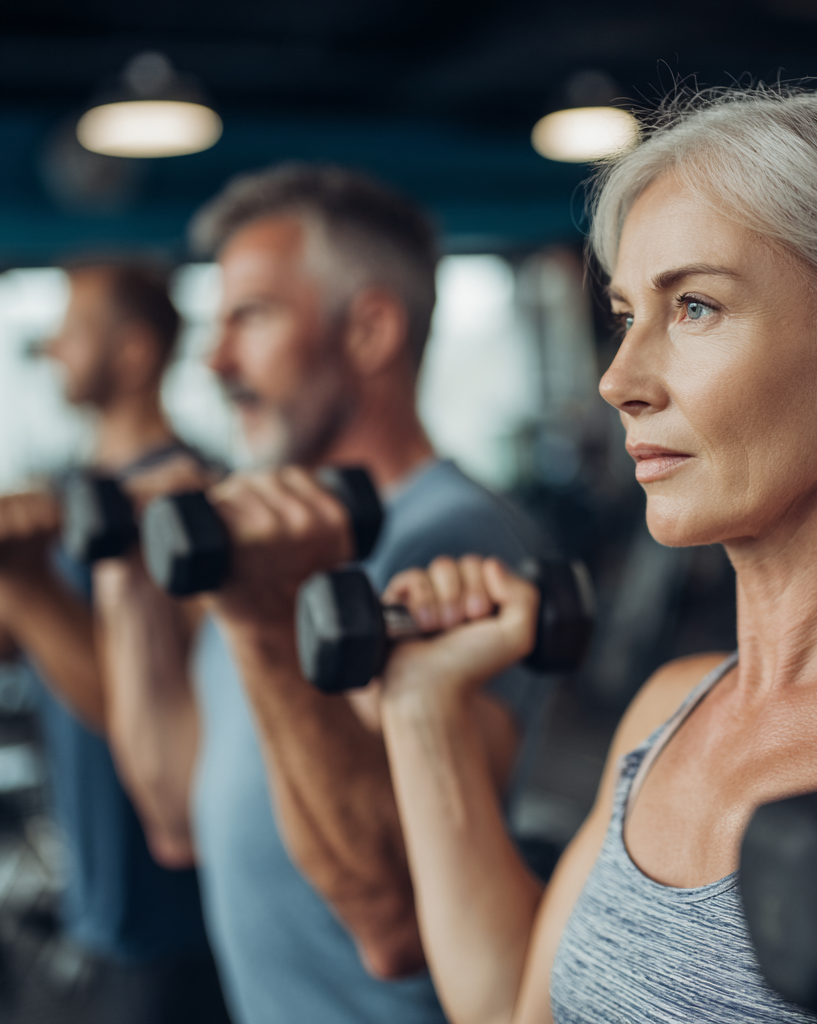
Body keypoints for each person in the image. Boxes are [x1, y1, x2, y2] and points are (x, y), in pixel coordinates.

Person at [369, 79, 817, 1024]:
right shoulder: (667, 709)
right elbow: (515, 1009)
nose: (618, 379)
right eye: (628, 314)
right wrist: (423, 709)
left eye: (697, 308)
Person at [95, 164, 552, 1024]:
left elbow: (395, 917)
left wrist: (264, 619)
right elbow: (176, 818)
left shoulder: (451, 540)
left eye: (252, 316)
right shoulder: (268, 545)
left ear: (370, 330)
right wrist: (128, 574)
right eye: (217, 323)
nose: (216, 359)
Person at [0, 263, 230, 1022]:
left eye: (73, 332)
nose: (52, 349)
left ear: (133, 352)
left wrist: (24, 585)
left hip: (172, 902)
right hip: (97, 884)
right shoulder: (67, 494)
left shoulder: (191, 503)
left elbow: (144, 708)